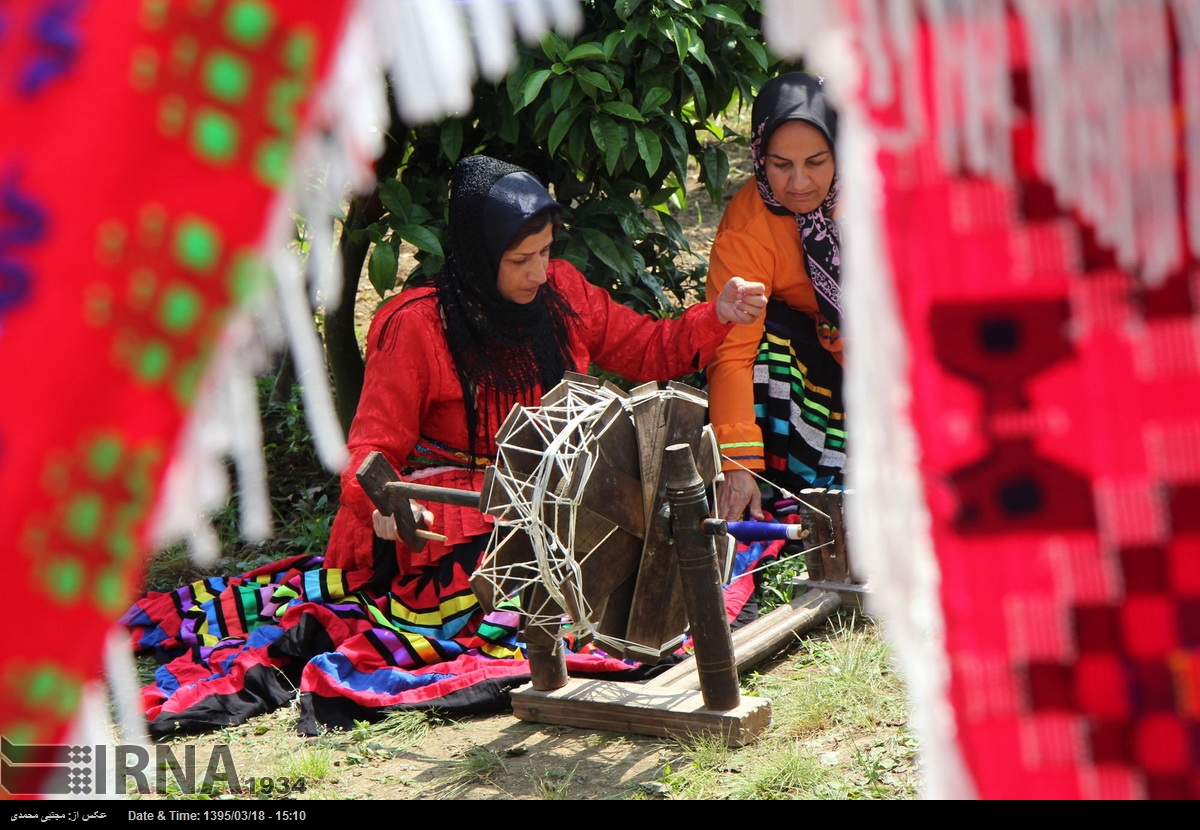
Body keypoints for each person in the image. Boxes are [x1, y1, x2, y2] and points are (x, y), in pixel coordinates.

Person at [324, 154, 767, 637]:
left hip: (554, 489)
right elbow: (369, 451)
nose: (538, 273)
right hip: (456, 506)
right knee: (524, 586)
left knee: (649, 548)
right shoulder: (417, 326)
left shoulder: (563, 292)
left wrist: (716, 314)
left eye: (545, 252)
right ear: (480, 254)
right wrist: (386, 504)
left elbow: (648, 349)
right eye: (520, 260)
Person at [705, 72, 846, 523]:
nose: (799, 182)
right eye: (781, 164)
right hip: (819, 374)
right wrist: (737, 463)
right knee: (766, 339)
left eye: (817, 161)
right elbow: (732, 353)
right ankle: (794, 477)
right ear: (759, 158)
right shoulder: (748, 228)